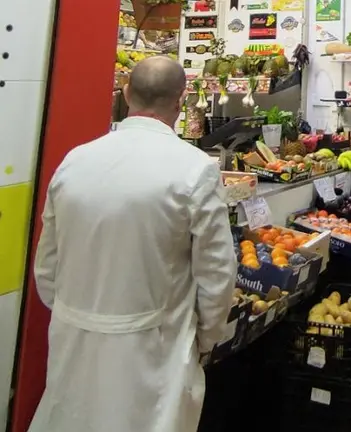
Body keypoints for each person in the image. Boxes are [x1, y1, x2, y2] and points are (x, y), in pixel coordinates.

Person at [30, 56, 236, 432]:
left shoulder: (75, 161)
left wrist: (78, 313)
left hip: (74, 342)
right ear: (180, 100)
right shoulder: (194, 168)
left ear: (126, 94)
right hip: (154, 352)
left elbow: (47, 267)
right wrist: (205, 339)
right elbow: (217, 275)